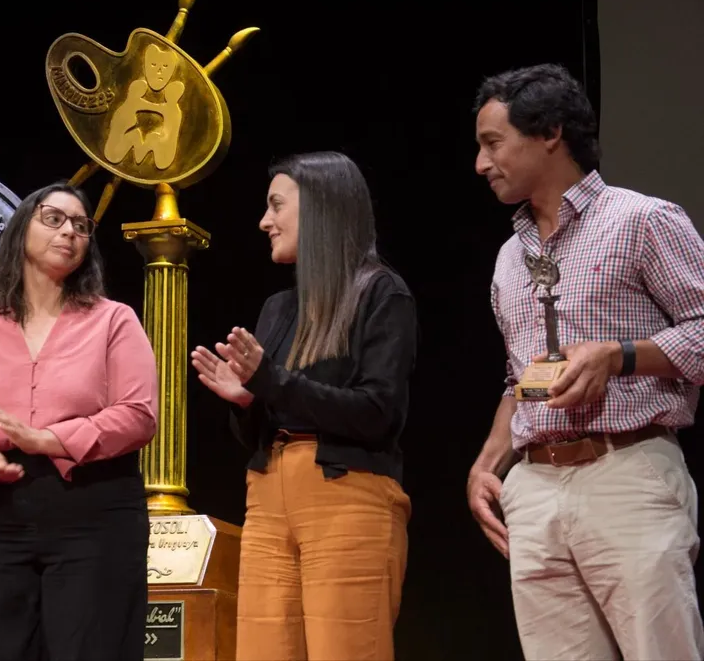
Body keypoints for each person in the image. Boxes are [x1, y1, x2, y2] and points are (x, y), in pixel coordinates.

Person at [467, 63, 704, 660]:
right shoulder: (506, 258)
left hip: (625, 469)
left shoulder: (642, 219)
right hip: (535, 486)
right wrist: (488, 463)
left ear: (549, 132)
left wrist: (620, 356)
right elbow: (517, 380)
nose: (480, 163)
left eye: (493, 143)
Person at [191, 151, 418, 661]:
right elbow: (260, 426)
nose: (264, 222)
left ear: (320, 209)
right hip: (269, 497)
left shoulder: (380, 293)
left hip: (346, 495)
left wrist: (272, 382)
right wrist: (249, 400)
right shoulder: (279, 307)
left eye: (277, 206)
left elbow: (377, 412)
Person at [0, 181, 158, 661]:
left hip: (93, 510)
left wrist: (49, 438)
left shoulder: (114, 320)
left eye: (81, 225)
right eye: (53, 218)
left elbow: (138, 415)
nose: (69, 231)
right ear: (20, 232)